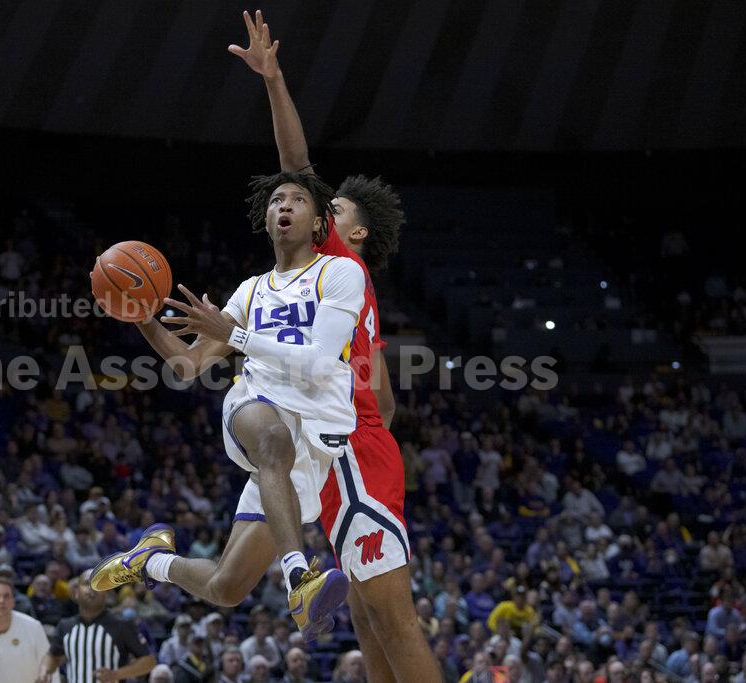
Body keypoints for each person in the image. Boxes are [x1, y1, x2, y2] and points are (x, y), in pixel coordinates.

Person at [227, 9, 440, 682]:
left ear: (354, 233)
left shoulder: (340, 266)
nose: (322, 209)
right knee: (368, 616)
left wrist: (274, 80)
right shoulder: (351, 294)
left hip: (354, 450)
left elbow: (297, 165)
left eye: (335, 209)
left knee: (391, 618)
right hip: (349, 446)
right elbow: (384, 398)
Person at [91, 169, 358, 641]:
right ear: (267, 219)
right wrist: (142, 314)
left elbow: (319, 363)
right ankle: (299, 578)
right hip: (256, 405)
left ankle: (150, 560)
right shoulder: (251, 290)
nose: (285, 204)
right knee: (273, 439)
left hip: (314, 434)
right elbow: (188, 364)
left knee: (226, 587)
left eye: (298, 199)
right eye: (276, 200)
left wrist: (234, 335)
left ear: (319, 223)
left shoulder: (338, 273)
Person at [41, 570, 156, 683]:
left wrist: (117, 674)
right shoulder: (65, 625)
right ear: (76, 592)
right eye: (87, 583)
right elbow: (53, 655)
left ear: (107, 593)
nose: (92, 588)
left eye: (99, 584)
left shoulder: (122, 625)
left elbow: (149, 661)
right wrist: (44, 671)